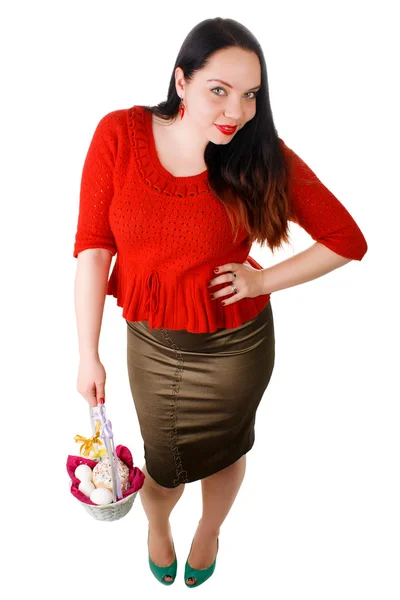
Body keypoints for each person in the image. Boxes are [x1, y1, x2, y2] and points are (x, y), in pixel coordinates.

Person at [73, 17, 367, 588]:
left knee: (227, 454)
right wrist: (88, 352)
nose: (237, 110)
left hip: (235, 348)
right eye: (219, 90)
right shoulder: (119, 135)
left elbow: (347, 241)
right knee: (161, 467)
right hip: (152, 344)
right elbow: (93, 249)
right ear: (181, 81)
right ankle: (158, 528)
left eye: (250, 95)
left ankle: (209, 531)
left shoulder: (257, 156)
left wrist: (262, 282)